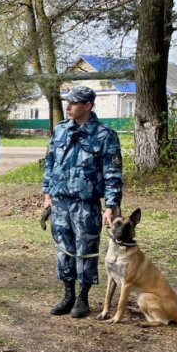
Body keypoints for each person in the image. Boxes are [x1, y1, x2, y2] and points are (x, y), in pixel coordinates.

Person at [42, 85, 122, 319]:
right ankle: (67, 294)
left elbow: (113, 172)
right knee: (63, 248)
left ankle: (82, 297)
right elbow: (50, 162)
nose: (68, 106)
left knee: (85, 250)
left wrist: (111, 205)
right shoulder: (60, 130)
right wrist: (47, 194)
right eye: (67, 102)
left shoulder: (104, 135)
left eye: (74, 103)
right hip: (60, 201)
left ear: (87, 106)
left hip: (86, 203)